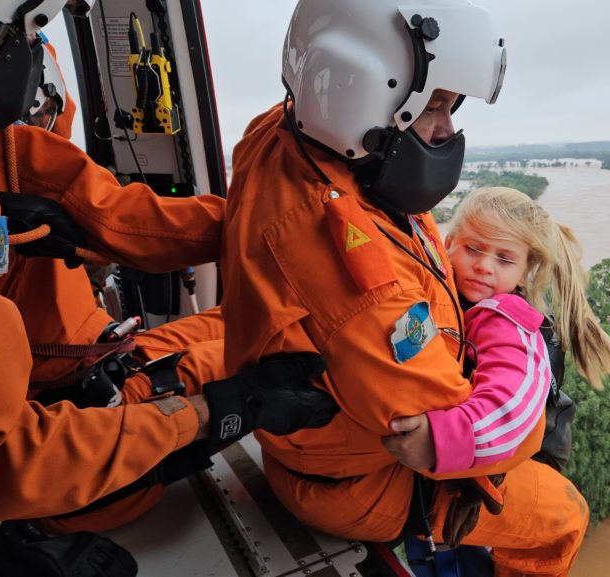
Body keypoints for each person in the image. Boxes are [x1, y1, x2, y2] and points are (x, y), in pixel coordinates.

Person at [0, 2, 337, 575]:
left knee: (250, 323)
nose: (31, 47)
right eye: (30, 26)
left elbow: (115, 213)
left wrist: (273, 227)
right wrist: (221, 411)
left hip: (95, 361)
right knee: (281, 359)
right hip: (56, 429)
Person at [221, 1, 590, 574]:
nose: (446, 129)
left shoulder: (280, 139)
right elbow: (444, 427)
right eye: (434, 105)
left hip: (299, 452)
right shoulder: (353, 268)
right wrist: (473, 460)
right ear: (358, 94)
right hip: (360, 485)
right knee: (564, 515)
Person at [383, 186, 610, 475]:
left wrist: (441, 441)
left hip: (526, 462)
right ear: (447, 245)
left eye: (504, 259)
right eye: (473, 248)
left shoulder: (505, 319)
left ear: (523, 274)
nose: (484, 266)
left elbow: (511, 405)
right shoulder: (446, 293)